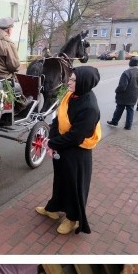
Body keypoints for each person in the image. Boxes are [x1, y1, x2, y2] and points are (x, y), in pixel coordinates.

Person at [37, 66, 101, 235]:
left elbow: (75, 137)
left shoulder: (89, 108)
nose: (69, 82)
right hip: (63, 146)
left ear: (84, 83)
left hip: (77, 153)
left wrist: (52, 144)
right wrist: (52, 141)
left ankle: (72, 219)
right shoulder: (70, 95)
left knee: (74, 185)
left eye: (73, 80)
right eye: (70, 78)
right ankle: (53, 208)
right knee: (60, 180)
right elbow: (58, 119)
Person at [107, 57, 138, 131]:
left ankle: (114, 122)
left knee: (119, 109)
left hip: (124, 95)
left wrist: (116, 91)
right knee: (130, 110)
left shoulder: (126, 72)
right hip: (134, 95)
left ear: (130, 63)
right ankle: (128, 126)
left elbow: (122, 86)